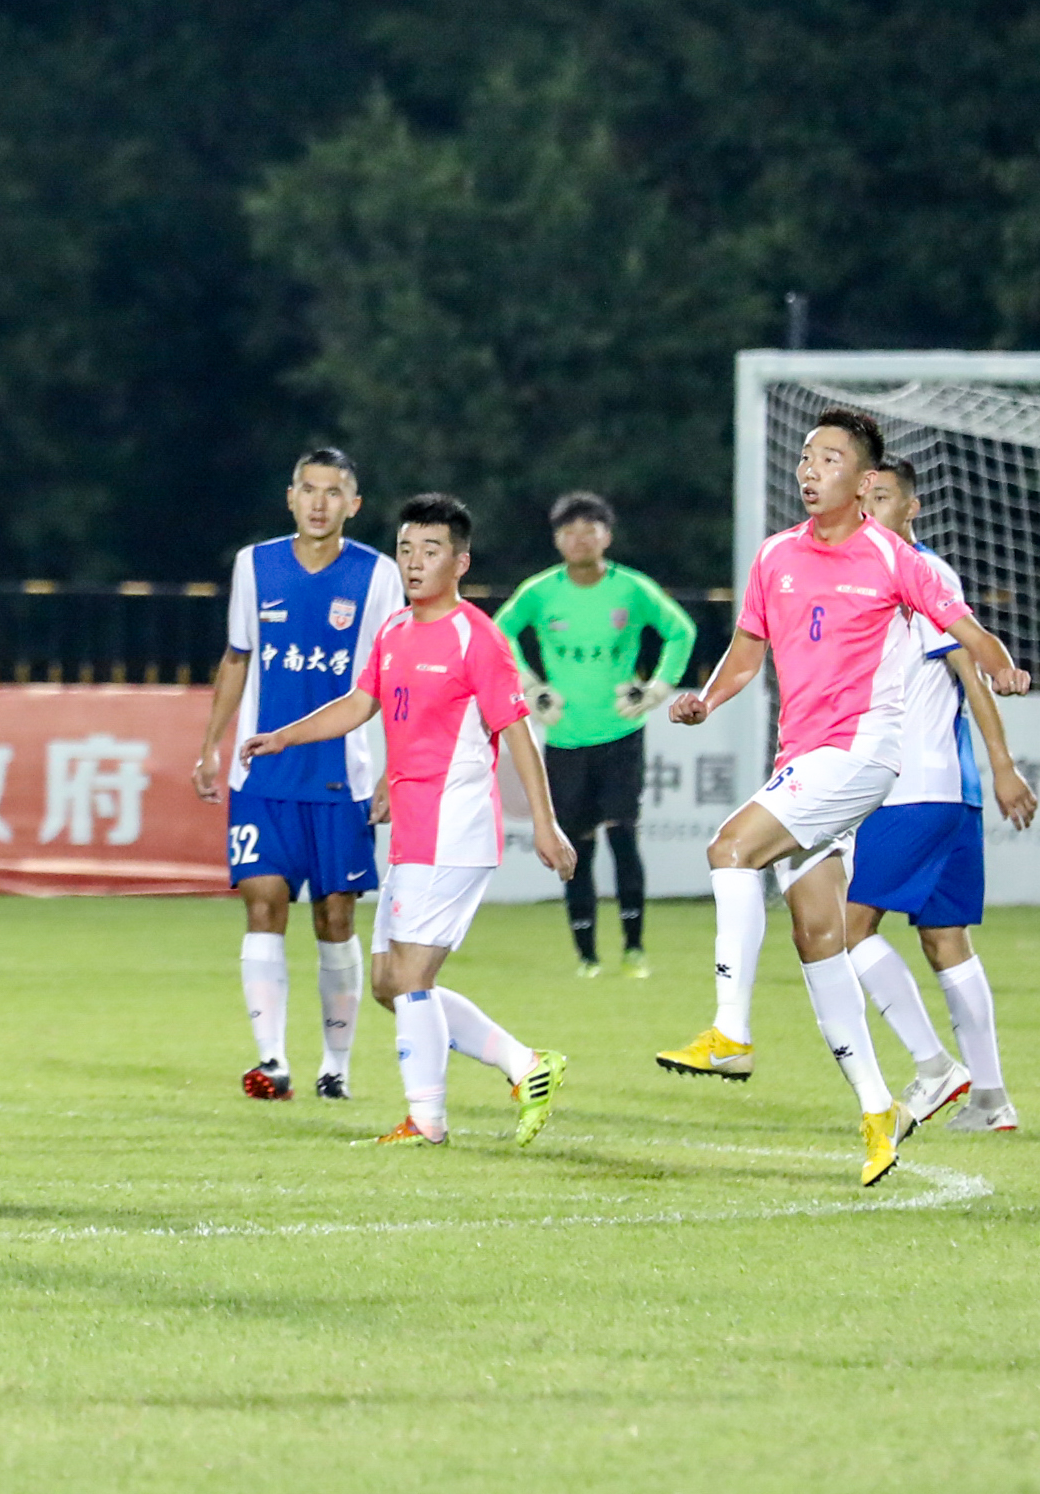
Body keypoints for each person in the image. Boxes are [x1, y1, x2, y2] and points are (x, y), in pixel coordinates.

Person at [655, 408, 1029, 1186]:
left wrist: (999, 664)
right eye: (805, 456)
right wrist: (706, 700)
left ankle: (729, 1031)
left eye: (829, 458)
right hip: (805, 757)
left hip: (860, 754)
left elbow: (967, 633)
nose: (809, 469)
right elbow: (746, 652)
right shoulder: (775, 555)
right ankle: (877, 1110)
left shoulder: (894, 558)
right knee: (819, 936)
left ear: (863, 482)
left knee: (730, 847)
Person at [238, 493, 576, 1148]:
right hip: (412, 832)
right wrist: (284, 737)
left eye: (430, 550)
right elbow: (359, 703)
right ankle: (525, 1064)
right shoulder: (394, 630)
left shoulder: (476, 636)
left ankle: (427, 1120)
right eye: (405, 549)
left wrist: (544, 823)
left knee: (412, 980)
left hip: (455, 828)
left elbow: (517, 732)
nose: (414, 562)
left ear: (460, 562)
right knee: (390, 984)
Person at [192, 447, 405, 1103]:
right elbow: (237, 657)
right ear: (290, 497)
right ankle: (272, 1060)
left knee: (335, 920)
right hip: (262, 777)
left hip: (342, 778)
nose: (318, 502)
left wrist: (393, 769)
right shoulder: (254, 565)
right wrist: (210, 746)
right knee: (263, 903)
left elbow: (394, 679)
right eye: (308, 489)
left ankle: (335, 1066)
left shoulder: (378, 574)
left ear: (353, 504)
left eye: (332, 491)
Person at [841, 459, 1038, 1133]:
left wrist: (1004, 764)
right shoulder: (877, 578)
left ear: (911, 507)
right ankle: (991, 1099)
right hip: (946, 791)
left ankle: (934, 1069)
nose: (868, 508)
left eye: (882, 497)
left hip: (914, 788)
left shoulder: (919, 573)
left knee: (845, 929)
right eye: (862, 498)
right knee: (944, 937)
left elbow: (969, 671)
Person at [493, 491, 699, 978]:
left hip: (620, 734)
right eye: (569, 531)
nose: (580, 539)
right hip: (565, 739)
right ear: (556, 539)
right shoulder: (539, 592)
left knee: (623, 839)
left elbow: (681, 631)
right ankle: (586, 955)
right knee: (576, 848)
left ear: (607, 536)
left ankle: (634, 949)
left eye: (590, 529)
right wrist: (531, 686)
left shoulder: (631, 588)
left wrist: (658, 688)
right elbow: (496, 636)